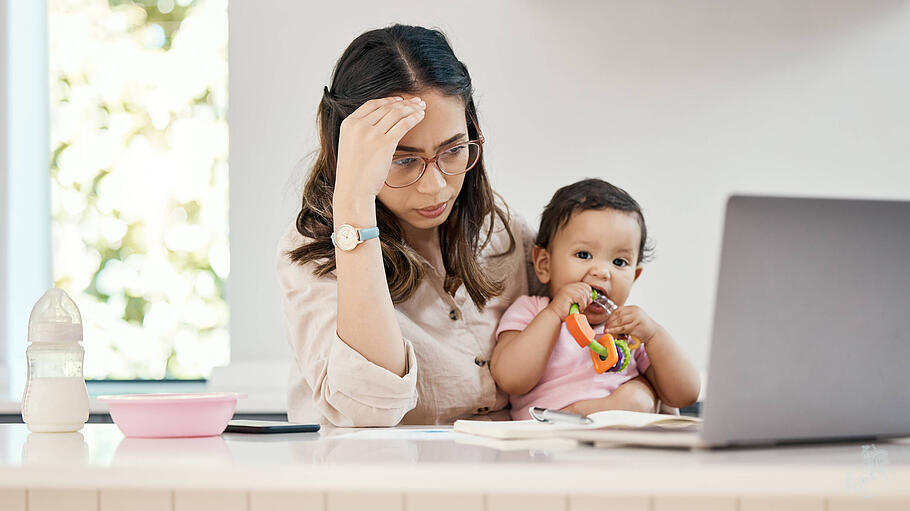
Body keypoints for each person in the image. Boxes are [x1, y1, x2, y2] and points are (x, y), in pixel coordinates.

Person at [276, 25, 660, 427]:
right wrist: (354, 203)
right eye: (403, 160)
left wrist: (640, 393)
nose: (435, 186)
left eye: (454, 150)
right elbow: (370, 410)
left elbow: (587, 350)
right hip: (387, 466)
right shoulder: (311, 255)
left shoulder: (503, 233)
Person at [491, 179, 701, 420]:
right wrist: (554, 314)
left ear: (634, 276)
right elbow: (510, 379)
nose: (602, 272)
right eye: (584, 255)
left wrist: (654, 335)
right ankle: (580, 415)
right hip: (548, 436)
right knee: (635, 401)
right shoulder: (532, 311)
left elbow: (686, 395)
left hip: (619, 440)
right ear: (544, 264)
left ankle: (602, 413)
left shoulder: (630, 331)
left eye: (619, 262)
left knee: (638, 400)